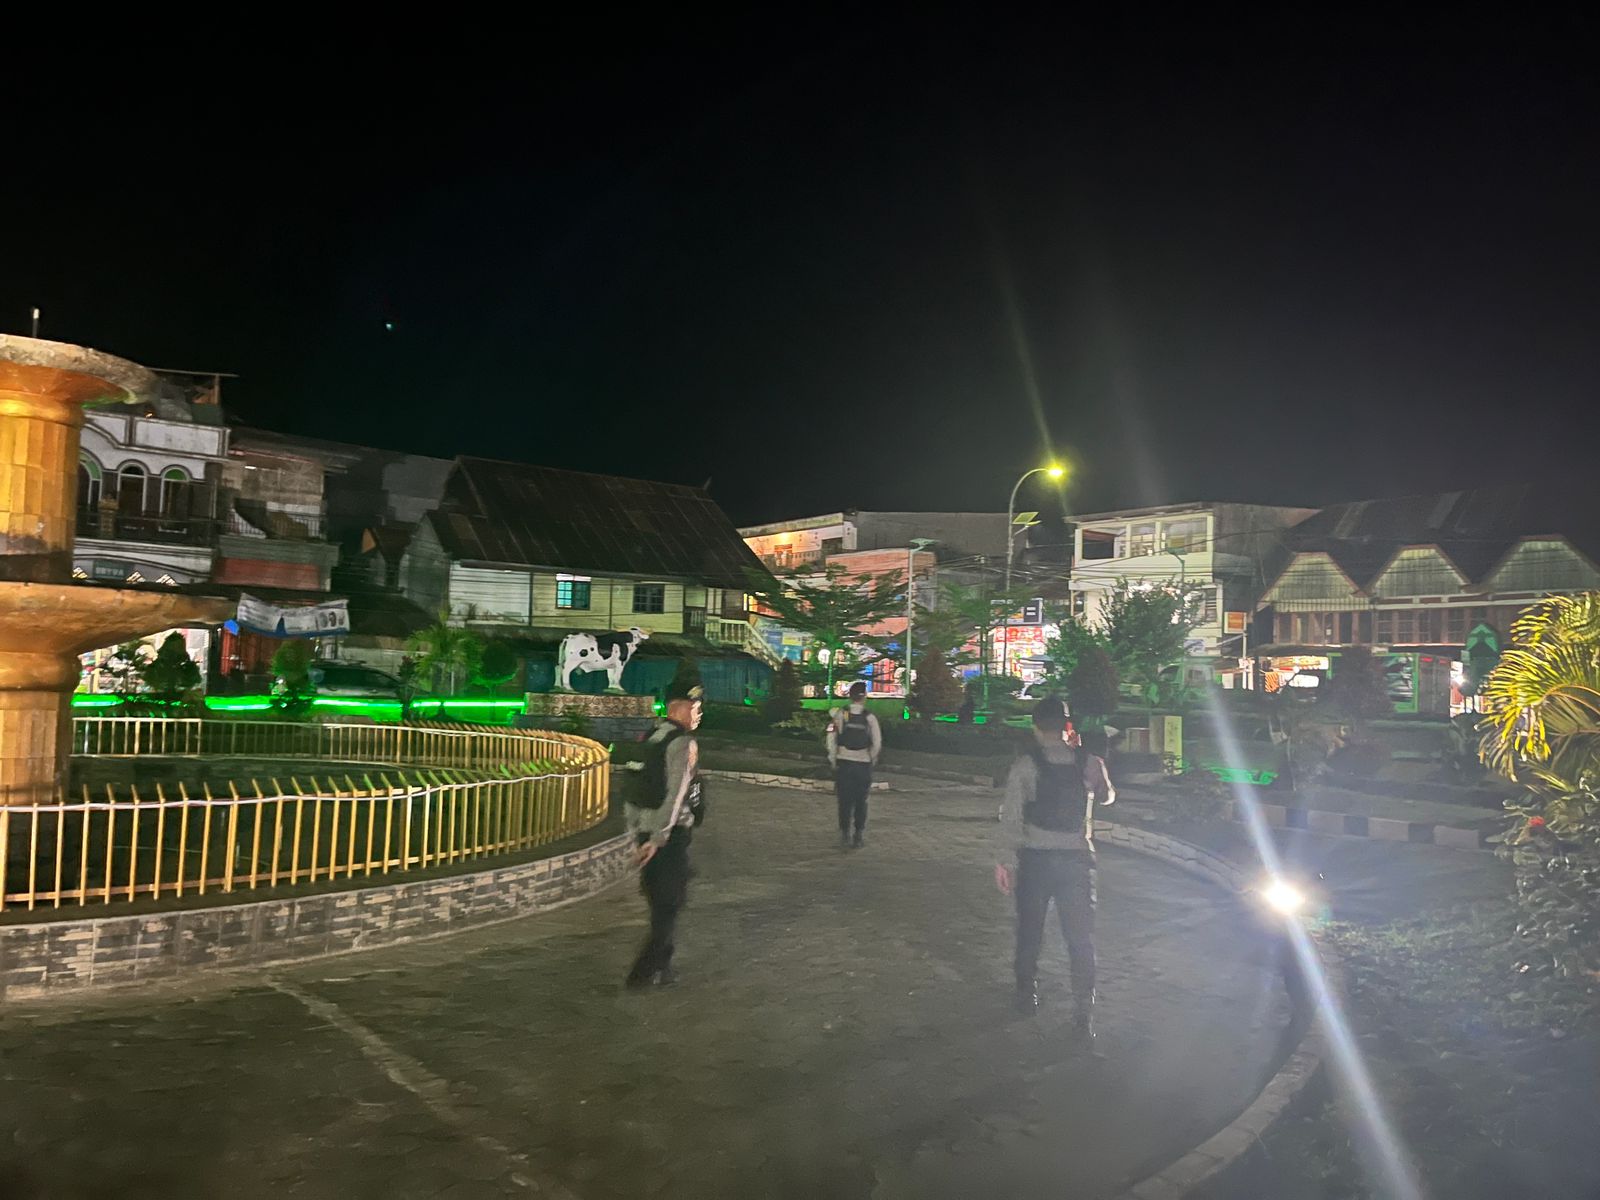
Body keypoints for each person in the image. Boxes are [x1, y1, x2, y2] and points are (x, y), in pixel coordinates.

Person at [995, 696, 1116, 1033]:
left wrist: (1006, 861)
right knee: (1080, 937)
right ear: (1067, 725)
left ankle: (1026, 996)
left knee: (1030, 931)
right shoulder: (1088, 762)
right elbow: (1108, 796)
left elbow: (1011, 818)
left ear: (1035, 727)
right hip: (1076, 860)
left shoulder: (1025, 766)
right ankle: (1083, 1009)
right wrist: (1089, 762)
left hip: (1035, 860)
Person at [624, 686, 705, 989]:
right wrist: (659, 838)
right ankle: (644, 972)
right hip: (669, 835)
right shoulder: (682, 743)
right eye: (695, 708)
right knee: (669, 904)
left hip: (646, 830)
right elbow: (676, 794)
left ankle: (663, 965)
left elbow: (632, 787)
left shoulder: (651, 737)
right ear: (678, 708)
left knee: (662, 902)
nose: (699, 714)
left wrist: (635, 833)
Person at [826, 681, 882, 848]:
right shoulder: (870, 717)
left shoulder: (841, 714)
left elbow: (831, 738)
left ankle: (845, 834)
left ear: (850, 696)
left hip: (844, 763)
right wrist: (871, 757)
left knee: (844, 801)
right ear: (864, 697)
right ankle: (858, 835)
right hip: (863, 764)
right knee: (860, 801)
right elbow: (877, 742)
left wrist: (833, 758)